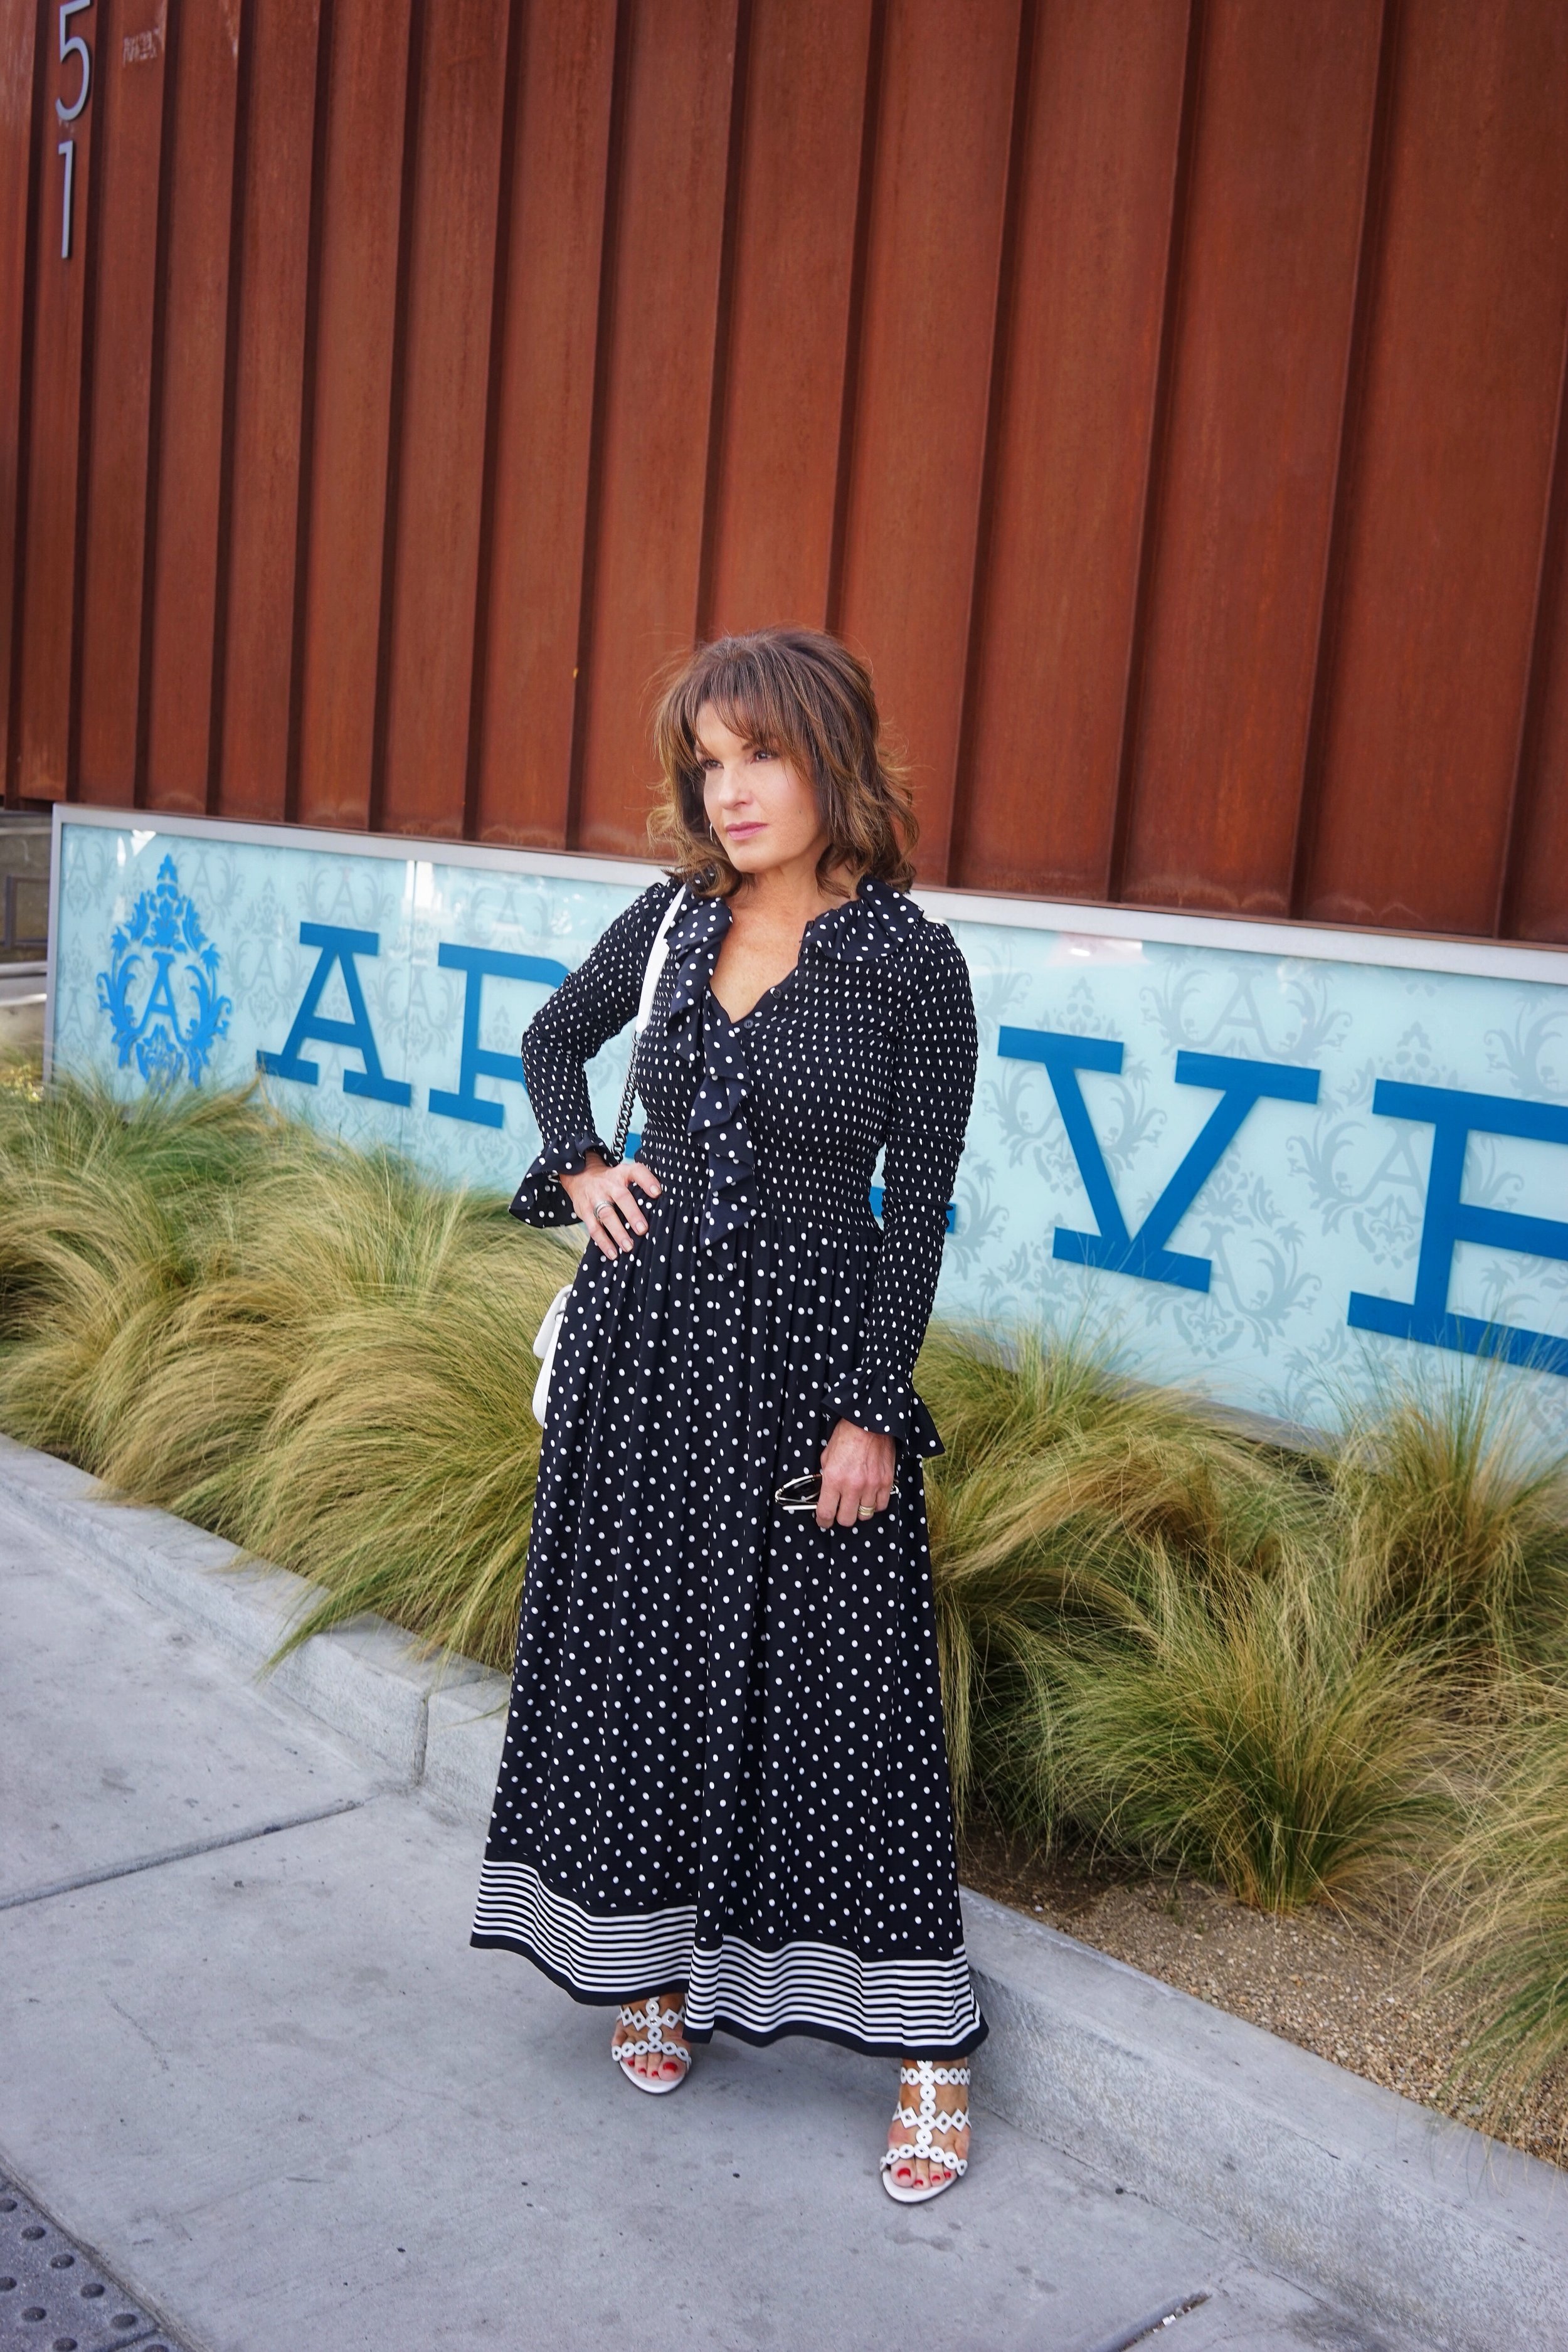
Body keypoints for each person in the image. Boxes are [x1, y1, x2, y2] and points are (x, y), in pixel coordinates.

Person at [472, 625, 983, 2201]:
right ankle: (657, 1963)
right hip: (645, 1350)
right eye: (709, 761)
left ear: (835, 757)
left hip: (807, 1366)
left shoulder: (911, 964)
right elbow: (555, 1036)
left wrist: (866, 1412)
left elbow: (916, 1215)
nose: (732, 790)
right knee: (648, 1657)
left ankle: (927, 2049)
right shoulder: (680, 917)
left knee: (849, 1687)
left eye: (759, 754)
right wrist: (581, 1164)